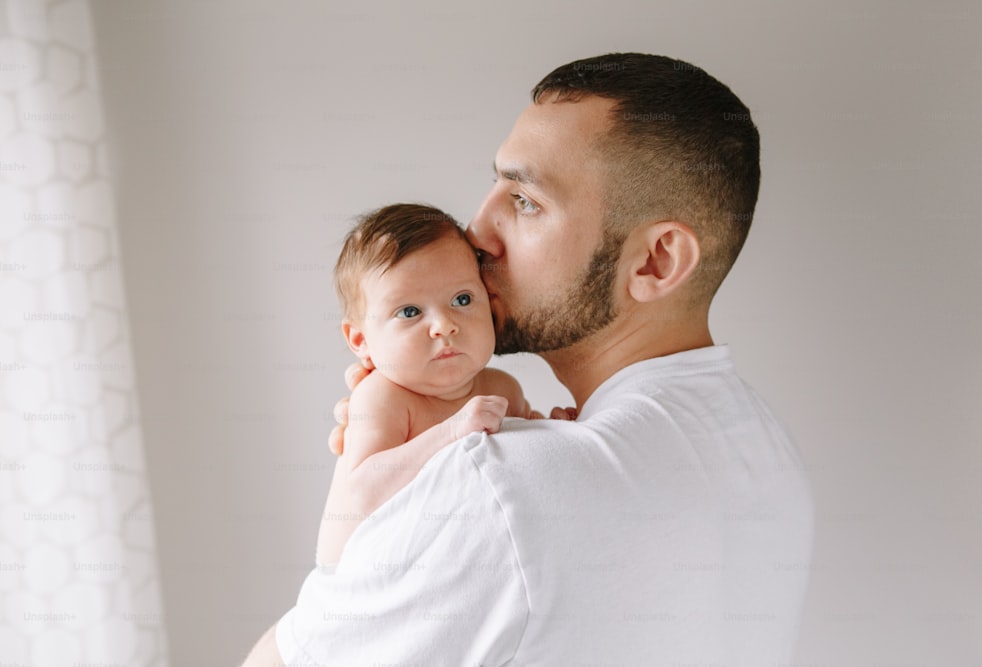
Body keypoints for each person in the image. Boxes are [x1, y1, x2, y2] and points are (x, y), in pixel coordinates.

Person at [243, 52, 813, 666]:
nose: (477, 231)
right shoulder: (766, 453)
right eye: (495, 188)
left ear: (655, 263)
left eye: (526, 201)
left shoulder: (500, 486)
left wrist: (429, 488)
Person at [314, 202, 536, 566]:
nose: (444, 325)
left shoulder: (501, 388)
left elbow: (523, 455)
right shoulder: (383, 397)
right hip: (359, 580)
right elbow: (364, 491)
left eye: (462, 299)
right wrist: (451, 433)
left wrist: (552, 425)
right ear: (360, 340)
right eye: (410, 312)